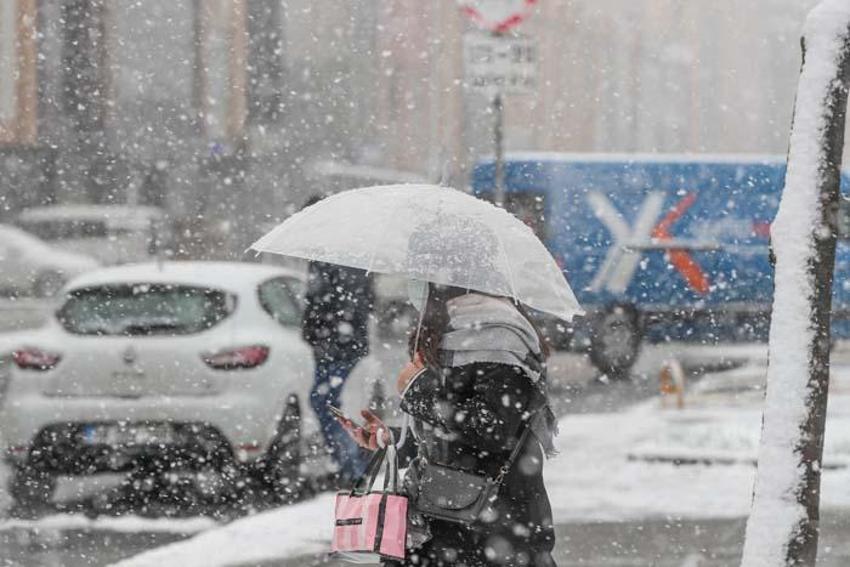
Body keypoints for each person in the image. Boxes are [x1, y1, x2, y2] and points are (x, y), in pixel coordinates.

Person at [340, 282, 559, 567]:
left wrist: (416, 390)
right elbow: (447, 437)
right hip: (441, 520)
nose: (415, 283)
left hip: (489, 525)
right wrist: (392, 438)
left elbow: (490, 428)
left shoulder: (498, 336)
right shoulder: (450, 329)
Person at [301, 196, 375, 483]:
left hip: (340, 345)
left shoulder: (341, 253)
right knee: (323, 399)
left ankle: (351, 466)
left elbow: (356, 302)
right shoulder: (325, 252)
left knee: (323, 399)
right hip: (331, 342)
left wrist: (334, 328)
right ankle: (348, 463)